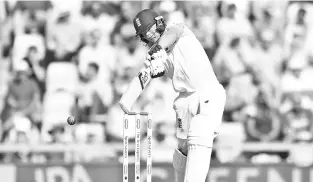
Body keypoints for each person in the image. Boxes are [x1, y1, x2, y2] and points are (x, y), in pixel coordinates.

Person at [131, 9, 226, 182]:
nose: (148, 36)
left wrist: (158, 49)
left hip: (208, 92)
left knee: (199, 133)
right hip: (184, 100)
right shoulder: (156, 56)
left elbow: (172, 33)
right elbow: (153, 71)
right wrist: (154, 66)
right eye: (144, 34)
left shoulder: (177, 29)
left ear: (159, 22)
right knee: (183, 147)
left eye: (149, 29)